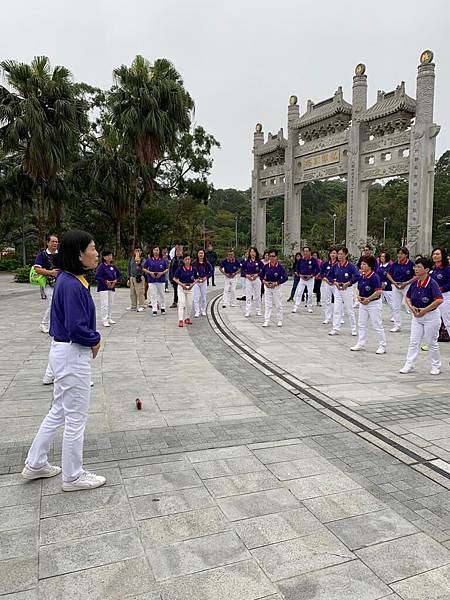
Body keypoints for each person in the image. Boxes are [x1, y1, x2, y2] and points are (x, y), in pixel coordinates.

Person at [22, 230, 105, 491]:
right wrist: (95, 339)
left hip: (65, 352)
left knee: (59, 410)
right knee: (76, 417)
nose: (96, 253)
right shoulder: (70, 283)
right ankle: (73, 475)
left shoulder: (71, 279)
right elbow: (76, 326)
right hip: (72, 354)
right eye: (92, 248)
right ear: (79, 254)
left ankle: (36, 463)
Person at [399, 257, 443, 375]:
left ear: (427, 269)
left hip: (431, 316)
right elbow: (407, 297)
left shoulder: (432, 283)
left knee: (431, 342)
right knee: (413, 341)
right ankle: (409, 364)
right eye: (415, 266)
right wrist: (411, 307)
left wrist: (425, 310)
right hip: (417, 316)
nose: (416, 269)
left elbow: (439, 300)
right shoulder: (415, 282)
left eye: (419, 267)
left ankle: (436, 366)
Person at [350, 255, 386, 354]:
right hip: (363, 303)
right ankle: (361, 343)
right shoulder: (362, 276)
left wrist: (368, 299)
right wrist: (359, 297)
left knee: (377, 324)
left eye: (364, 264)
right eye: (361, 264)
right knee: (361, 324)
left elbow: (378, 291)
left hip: (374, 303)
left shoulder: (375, 277)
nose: (361, 266)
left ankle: (382, 345)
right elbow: (358, 288)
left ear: (370, 266)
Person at [328, 246, 359, 336]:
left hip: (347, 289)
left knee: (350, 309)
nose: (339, 256)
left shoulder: (350, 266)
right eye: (338, 254)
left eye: (341, 254)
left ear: (346, 255)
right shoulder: (335, 266)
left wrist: (349, 283)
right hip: (338, 289)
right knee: (337, 309)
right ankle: (335, 328)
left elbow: (357, 276)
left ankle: (353, 329)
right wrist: (334, 282)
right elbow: (329, 275)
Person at [387, 247, 416, 332]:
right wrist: (394, 282)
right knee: (395, 306)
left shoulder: (411, 264)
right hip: (396, 285)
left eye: (402, 253)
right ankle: (397, 325)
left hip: (407, 285)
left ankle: (414, 325)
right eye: (398, 253)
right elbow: (389, 274)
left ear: (406, 255)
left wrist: (406, 283)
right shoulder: (395, 264)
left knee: (409, 306)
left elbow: (416, 276)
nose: (399, 255)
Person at [34, 234, 59, 333]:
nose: (55, 243)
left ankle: (54, 324)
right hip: (49, 283)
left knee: (59, 304)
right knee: (52, 303)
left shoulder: (60, 254)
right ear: (47, 243)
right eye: (53, 241)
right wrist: (50, 272)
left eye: (56, 242)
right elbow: (37, 269)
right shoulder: (42, 254)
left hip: (61, 283)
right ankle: (44, 324)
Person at [260, 249, 288, 327]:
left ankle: (279, 319)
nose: (272, 258)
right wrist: (264, 282)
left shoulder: (280, 267)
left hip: (277, 287)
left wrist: (277, 283)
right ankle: (266, 320)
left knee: (278, 304)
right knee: (268, 304)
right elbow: (261, 276)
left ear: (276, 257)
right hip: (268, 287)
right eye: (270, 256)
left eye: (273, 256)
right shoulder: (265, 267)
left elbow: (285, 277)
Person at [94, 250, 122, 327]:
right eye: (108, 256)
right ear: (104, 257)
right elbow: (97, 276)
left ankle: (109, 318)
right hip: (103, 287)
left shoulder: (113, 266)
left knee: (110, 303)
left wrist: (116, 281)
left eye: (111, 255)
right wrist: (105, 281)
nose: (110, 257)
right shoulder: (101, 266)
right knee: (105, 304)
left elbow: (119, 275)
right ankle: (104, 319)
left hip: (112, 287)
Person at [292, 246, 320, 313]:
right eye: (304, 251)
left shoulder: (314, 260)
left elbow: (318, 270)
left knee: (310, 293)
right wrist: (299, 274)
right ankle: (296, 306)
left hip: (310, 278)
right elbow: (297, 268)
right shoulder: (301, 260)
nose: (305, 252)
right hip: (302, 278)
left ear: (310, 252)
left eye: (307, 251)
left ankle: (309, 306)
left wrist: (312, 275)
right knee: (299, 292)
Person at [143, 245, 169, 316]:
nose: (156, 252)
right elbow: (144, 268)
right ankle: (154, 309)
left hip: (161, 280)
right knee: (153, 295)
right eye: (154, 250)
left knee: (161, 294)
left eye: (157, 250)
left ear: (159, 251)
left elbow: (167, 268)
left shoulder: (163, 260)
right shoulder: (149, 260)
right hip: (151, 280)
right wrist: (150, 273)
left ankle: (163, 307)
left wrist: (162, 273)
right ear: (152, 251)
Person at [173, 253, 198, 327]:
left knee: (189, 304)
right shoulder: (180, 269)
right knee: (182, 303)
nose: (187, 261)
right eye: (186, 259)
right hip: (181, 287)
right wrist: (181, 284)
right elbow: (175, 278)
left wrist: (192, 285)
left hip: (190, 287)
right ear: (183, 260)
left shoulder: (193, 269)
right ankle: (180, 319)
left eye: (189, 259)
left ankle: (187, 318)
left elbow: (197, 279)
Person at [430, 247, 450, 337]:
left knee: (447, 321)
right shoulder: (433, 269)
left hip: (445, 297)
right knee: (434, 321)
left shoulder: (447, 269)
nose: (435, 256)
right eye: (434, 254)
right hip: (434, 298)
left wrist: (440, 289)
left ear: (443, 256)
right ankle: (433, 341)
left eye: (437, 254)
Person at [241, 246, 264, 317]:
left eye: (254, 252)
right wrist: (246, 275)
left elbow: (263, 270)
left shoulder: (259, 262)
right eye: (251, 252)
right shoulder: (246, 262)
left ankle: (258, 310)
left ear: (256, 253)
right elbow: (242, 270)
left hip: (256, 279)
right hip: (248, 279)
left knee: (257, 295)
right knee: (248, 295)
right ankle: (248, 311)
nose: (252, 253)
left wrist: (257, 275)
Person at [193, 248, 213, 317]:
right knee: (196, 297)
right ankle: (197, 311)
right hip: (196, 282)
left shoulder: (207, 263)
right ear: (197, 254)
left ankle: (203, 310)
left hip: (204, 281)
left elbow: (211, 272)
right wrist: (195, 278)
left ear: (204, 254)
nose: (200, 254)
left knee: (203, 297)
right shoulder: (194, 263)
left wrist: (206, 277)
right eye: (199, 253)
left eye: (202, 253)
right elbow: (191, 272)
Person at [321, 247, 338, 325]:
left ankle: (339, 317)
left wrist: (334, 281)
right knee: (327, 300)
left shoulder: (339, 264)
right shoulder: (326, 263)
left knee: (338, 301)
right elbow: (321, 273)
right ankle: (327, 317)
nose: (332, 255)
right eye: (331, 253)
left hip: (336, 283)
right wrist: (325, 278)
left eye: (334, 253)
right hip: (327, 283)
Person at [126, 246, 146, 312]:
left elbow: (144, 268)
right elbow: (129, 269)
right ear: (134, 252)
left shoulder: (143, 259)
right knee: (132, 293)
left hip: (139, 277)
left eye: (139, 251)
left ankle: (142, 306)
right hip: (132, 277)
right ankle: (133, 306)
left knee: (140, 292)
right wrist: (128, 278)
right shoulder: (131, 259)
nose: (137, 252)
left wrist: (139, 263)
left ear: (141, 252)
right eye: (136, 251)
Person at [377, 251, 394, 322]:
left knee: (391, 302)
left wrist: (386, 283)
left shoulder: (390, 267)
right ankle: (378, 316)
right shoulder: (379, 266)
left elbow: (392, 277)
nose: (382, 258)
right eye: (381, 256)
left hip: (388, 287)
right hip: (379, 287)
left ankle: (394, 315)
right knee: (379, 302)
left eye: (383, 256)